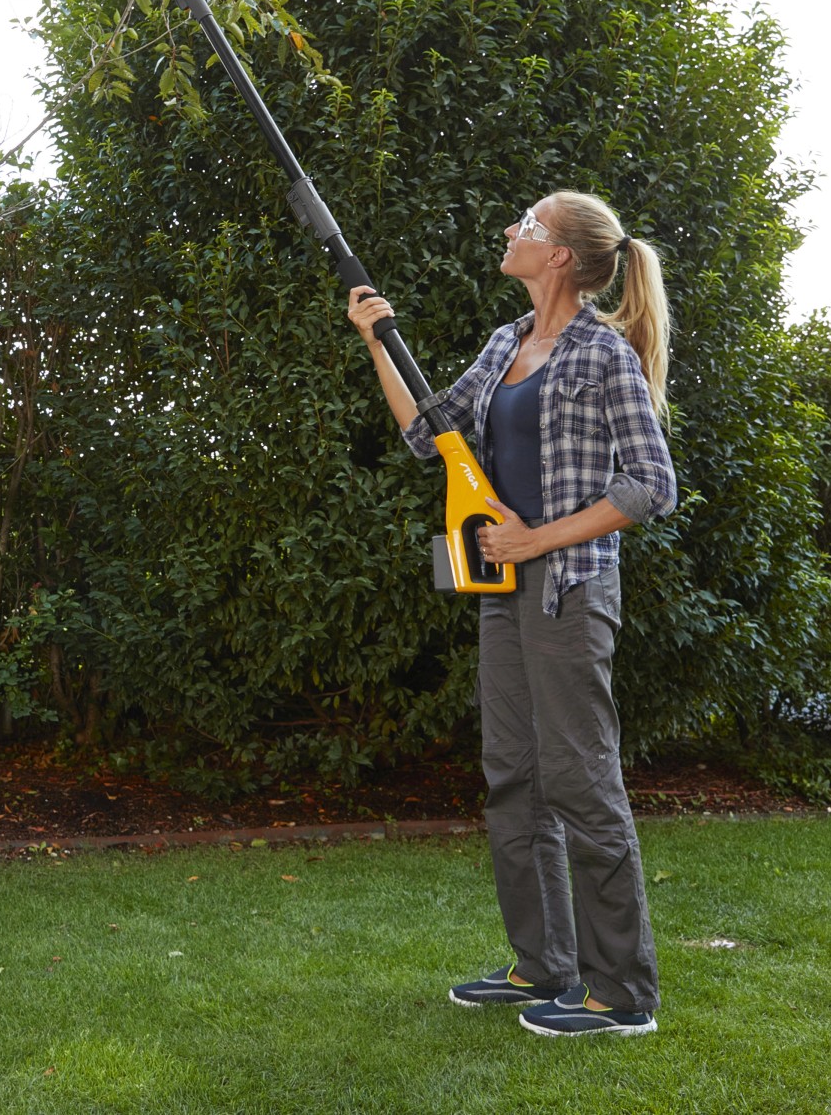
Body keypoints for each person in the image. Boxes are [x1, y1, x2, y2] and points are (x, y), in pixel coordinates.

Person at [347, 190, 676, 1038]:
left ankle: (623, 994)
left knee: (580, 779)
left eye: (526, 225)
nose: (508, 230)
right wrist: (378, 340)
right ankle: (543, 966)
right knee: (514, 779)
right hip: (501, 597)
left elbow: (649, 485)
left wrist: (538, 541)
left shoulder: (604, 353)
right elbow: (428, 434)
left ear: (560, 255)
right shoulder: (505, 345)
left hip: (569, 590)